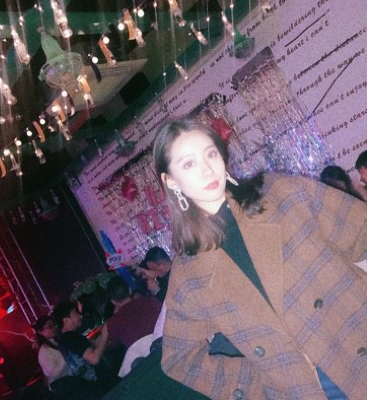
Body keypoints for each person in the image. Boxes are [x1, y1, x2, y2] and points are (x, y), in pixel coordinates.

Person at [153, 118, 367, 399]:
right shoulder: (190, 272)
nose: (207, 169)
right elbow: (179, 358)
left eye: (211, 154)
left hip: (357, 346)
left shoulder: (281, 194)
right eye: (189, 164)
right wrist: (257, 386)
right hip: (305, 390)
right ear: (170, 180)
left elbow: (362, 233)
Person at [52, 301, 110, 397]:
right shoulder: (72, 337)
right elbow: (94, 359)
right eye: (75, 313)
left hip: (92, 389)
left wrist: (100, 337)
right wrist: (105, 333)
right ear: (66, 320)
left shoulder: (63, 341)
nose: (80, 315)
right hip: (102, 384)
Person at [33, 315, 95, 399]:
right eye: (50, 327)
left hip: (76, 381)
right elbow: (52, 375)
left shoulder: (58, 342)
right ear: (40, 331)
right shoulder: (44, 352)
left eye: (54, 326)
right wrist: (65, 359)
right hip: (68, 387)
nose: (54, 328)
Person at [105, 275, 163, 350]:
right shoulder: (151, 301)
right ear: (130, 290)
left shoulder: (113, 323)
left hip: (147, 355)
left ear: (113, 302)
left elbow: (113, 343)